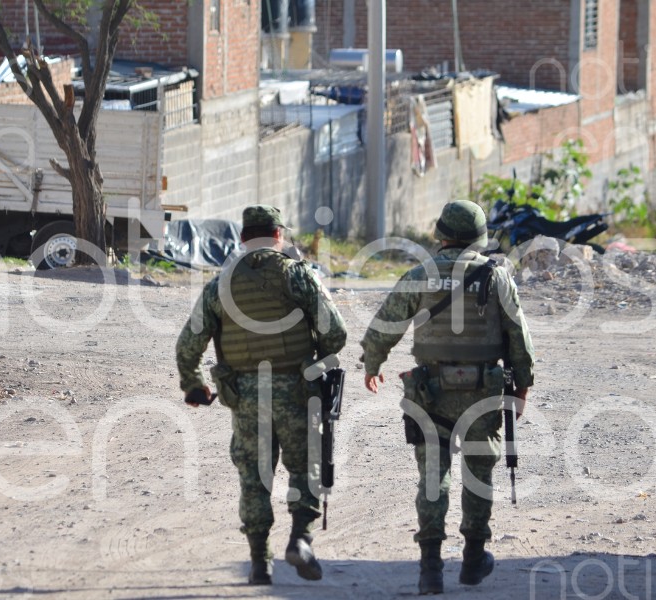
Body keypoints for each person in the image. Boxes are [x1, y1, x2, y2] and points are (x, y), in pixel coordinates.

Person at [359, 200, 534, 595]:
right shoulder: (497, 277)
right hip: (483, 392)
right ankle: (473, 559)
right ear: (479, 238)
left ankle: (430, 569)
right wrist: (522, 385)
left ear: (440, 235)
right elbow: (518, 338)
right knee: (478, 472)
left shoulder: (419, 275)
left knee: (432, 476)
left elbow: (384, 326)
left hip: (430, 391)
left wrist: (372, 364)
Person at [175, 205, 347, 585]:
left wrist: (193, 385)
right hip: (297, 391)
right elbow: (336, 333)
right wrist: (311, 360)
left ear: (242, 239)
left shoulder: (219, 285)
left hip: (246, 395)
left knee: (254, 477)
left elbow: (189, 344)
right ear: (279, 236)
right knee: (304, 467)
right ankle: (300, 540)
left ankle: (258, 563)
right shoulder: (297, 276)